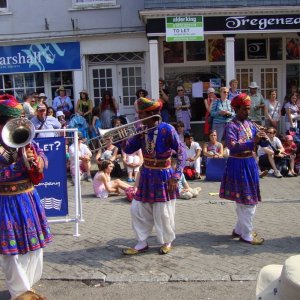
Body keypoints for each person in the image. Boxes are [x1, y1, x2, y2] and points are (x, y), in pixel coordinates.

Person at [0, 94, 52, 299]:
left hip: (28, 198)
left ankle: (27, 286)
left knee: (34, 248)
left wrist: (37, 161)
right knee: (11, 251)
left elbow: (44, 159)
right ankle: (20, 293)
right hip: (5, 201)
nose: (19, 124)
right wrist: (16, 164)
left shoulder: (25, 140)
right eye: (13, 121)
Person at [122, 97, 185, 255]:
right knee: (137, 209)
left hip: (164, 175)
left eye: (141, 114)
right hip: (147, 174)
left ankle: (167, 241)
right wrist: (122, 140)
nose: (138, 117)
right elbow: (129, 150)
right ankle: (142, 242)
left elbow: (182, 151)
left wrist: (176, 175)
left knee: (163, 212)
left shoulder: (167, 129)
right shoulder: (141, 130)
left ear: (150, 114)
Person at [219, 93, 266, 245]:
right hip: (238, 164)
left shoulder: (250, 124)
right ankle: (246, 234)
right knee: (248, 201)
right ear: (236, 109)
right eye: (244, 109)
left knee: (243, 201)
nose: (247, 112)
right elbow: (232, 147)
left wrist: (264, 138)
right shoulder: (230, 126)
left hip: (250, 163)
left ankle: (240, 229)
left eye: (248, 109)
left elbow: (259, 145)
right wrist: (254, 140)